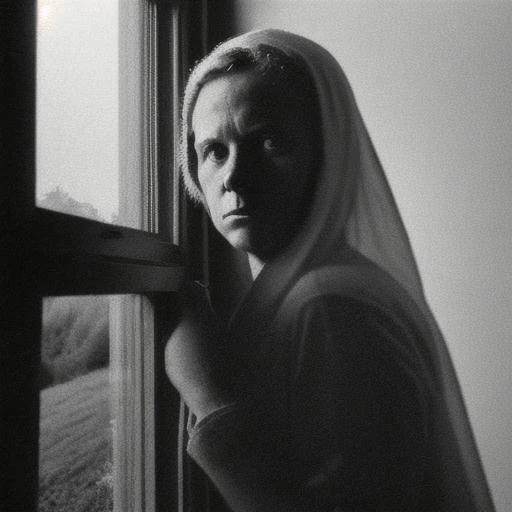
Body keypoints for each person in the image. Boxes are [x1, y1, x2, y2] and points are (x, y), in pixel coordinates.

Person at [165, 29, 495, 512]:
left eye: (268, 140)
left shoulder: (331, 305)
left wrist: (209, 398)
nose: (233, 176)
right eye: (214, 151)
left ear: (328, 153)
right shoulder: (319, 288)